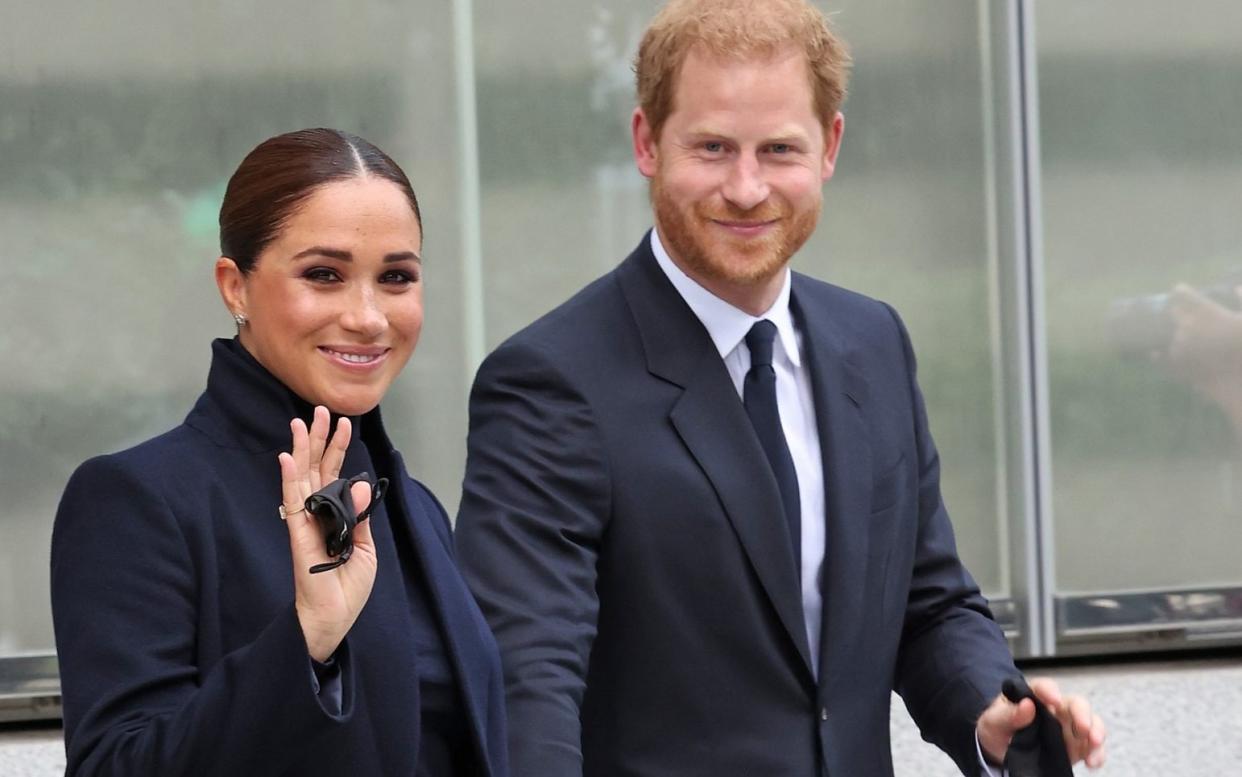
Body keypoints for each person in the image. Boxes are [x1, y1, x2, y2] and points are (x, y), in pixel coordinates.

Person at [454, 2, 1105, 775]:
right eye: (713, 147)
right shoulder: (548, 382)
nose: (747, 187)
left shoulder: (874, 344)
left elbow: (928, 603)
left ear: (829, 146)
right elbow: (529, 677)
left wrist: (992, 712)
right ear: (646, 143)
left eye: (778, 149)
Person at [51, 128, 508, 777]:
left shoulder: (415, 508)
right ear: (234, 287)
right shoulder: (136, 500)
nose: (369, 315)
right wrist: (307, 641)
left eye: (397, 276)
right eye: (324, 274)